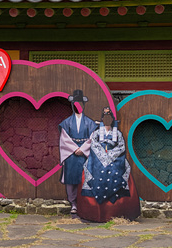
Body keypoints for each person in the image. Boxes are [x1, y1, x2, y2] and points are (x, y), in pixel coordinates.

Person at [76, 107, 141, 222]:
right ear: (102, 119)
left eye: (109, 117)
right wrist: (103, 157)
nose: (107, 119)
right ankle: (93, 213)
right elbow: (94, 145)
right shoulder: (96, 133)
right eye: (105, 117)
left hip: (115, 160)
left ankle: (117, 213)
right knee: (91, 173)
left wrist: (110, 156)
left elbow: (121, 147)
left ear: (112, 119)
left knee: (121, 174)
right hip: (97, 160)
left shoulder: (118, 134)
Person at [57, 89, 97, 217]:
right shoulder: (67, 122)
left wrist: (84, 149)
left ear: (83, 104)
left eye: (80, 103)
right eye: (75, 103)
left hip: (85, 155)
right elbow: (64, 138)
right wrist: (75, 149)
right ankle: (73, 203)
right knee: (71, 179)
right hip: (71, 154)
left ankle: (85, 203)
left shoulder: (90, 123)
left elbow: (93, 138)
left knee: (85, 179)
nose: (78, 105)